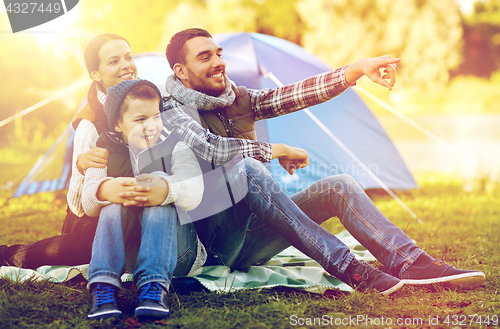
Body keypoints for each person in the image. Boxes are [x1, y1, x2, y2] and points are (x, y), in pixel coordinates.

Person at [145, 28, 484, 294]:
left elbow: (297, 93)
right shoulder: (170, 107)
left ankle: (412, 262)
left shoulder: (240, 98)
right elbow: (214, 149)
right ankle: (350, 268)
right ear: (181, 70)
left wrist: (355, 71)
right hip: (213, 242)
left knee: (340, 185)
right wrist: (275, 150)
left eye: (219, 54)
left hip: (255, 238)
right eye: (205, 57)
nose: (218, 62)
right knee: (247, 167)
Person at [0, 34, 203, 275]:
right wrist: (82, 168)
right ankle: (13, 255)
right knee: (94, 243)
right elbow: (79, 204)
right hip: (96, 213)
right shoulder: (91, 123)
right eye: (113, 61)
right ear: (95, 74)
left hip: (145, 203)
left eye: (128, 57)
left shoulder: (148, 98)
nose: (126, 65)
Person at [83, 79, 204, 321]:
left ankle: (153, 286)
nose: (151, 127)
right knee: (113, 197)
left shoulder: (176, 146)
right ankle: (104, 286)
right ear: (118, 124)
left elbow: (195, 191)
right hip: (129, 256)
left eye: (156, 117)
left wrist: (165, 189)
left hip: (179, 252)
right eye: (140, 120)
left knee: (157, 179)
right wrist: (107, 189)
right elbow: (88, 201)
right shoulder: (104, 150)